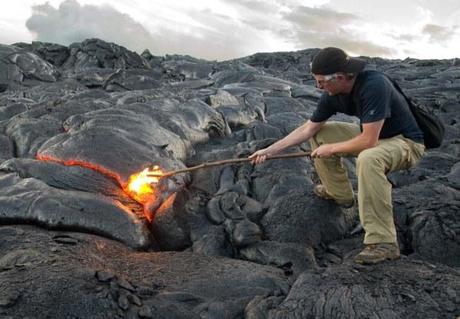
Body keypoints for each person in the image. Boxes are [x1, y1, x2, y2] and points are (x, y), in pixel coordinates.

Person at [249, 47, 425, 265]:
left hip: (405, 142)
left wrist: (331, 149)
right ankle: (339, 193)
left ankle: (383, 242)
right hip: (374, 136)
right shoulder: (332, 94)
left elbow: (368, 142)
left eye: (321, 82)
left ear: (340, 77)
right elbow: (308, 130)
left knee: (369, 159)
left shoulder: (374, 85)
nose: (318, 87)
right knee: (322, 133)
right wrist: (268, 151)